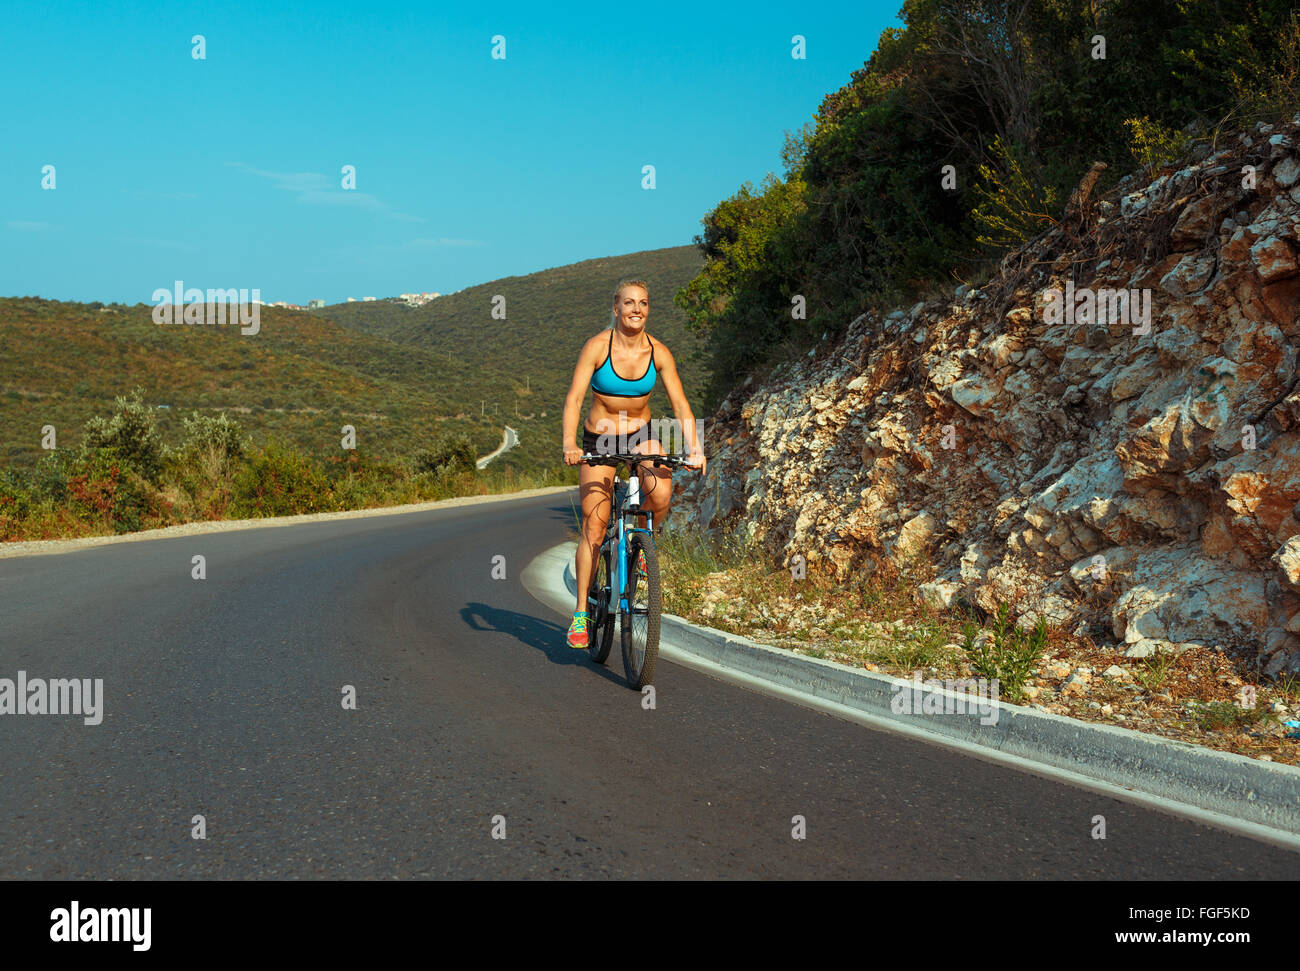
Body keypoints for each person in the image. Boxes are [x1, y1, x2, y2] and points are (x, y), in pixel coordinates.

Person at [561, 279, 706, 648]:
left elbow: (680, 404)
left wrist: (695, 447)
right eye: (629, 303)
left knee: (661, 492)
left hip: (642, 434)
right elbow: (575, 398)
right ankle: (580, 613)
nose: (636, 309)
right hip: (600, 438)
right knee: (594, 527)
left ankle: (643, 546)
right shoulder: (597, 347)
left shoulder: (659, 353)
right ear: (616, 308)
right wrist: (569, 444)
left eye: (643, 303)